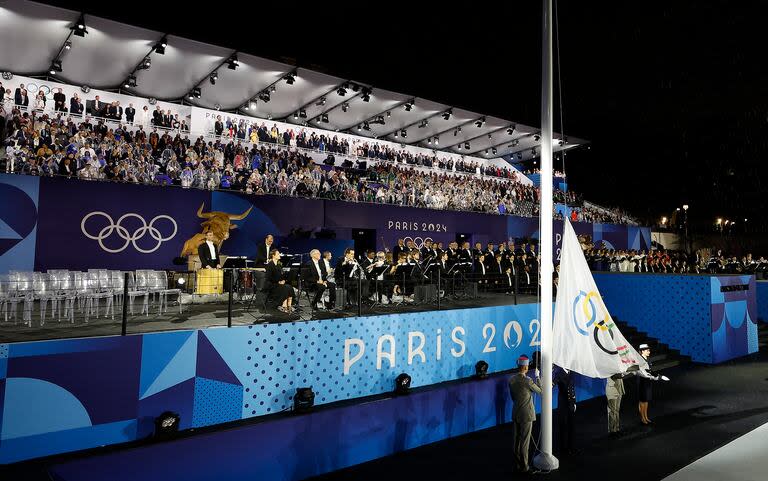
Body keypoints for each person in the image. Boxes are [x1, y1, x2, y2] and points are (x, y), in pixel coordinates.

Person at [509, 355, 541, 475]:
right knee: (525, 442)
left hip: (516, 412)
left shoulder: (511, 380)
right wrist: (537, 377)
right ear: (526, 367)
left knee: (516, 440)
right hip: (526, 414)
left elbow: (513, 397)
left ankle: (518, 464)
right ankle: (525, 466)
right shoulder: (528, 381)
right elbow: (541, 391)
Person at [637, 343, 670, 425]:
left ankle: (646, 416)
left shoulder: (647, 359)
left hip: (647, 382)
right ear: (642, 351)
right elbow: (645, 374)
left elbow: (650, 371)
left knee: (646, 400)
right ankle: (642, 418)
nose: (649, 351)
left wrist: (658, 376)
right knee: (642, 401)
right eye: (647, 350)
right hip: (642, 382)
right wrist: (656, 377)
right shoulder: (640, 361)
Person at [553, 365, 577, 455]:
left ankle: (572, 447)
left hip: (570, 404)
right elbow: (552, 384)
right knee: (563, 427)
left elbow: (572, 388)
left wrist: (574, 402)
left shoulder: (570, 372)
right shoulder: (559, 373)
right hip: (563, 405)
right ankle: (563, 449)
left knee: (572, 426)